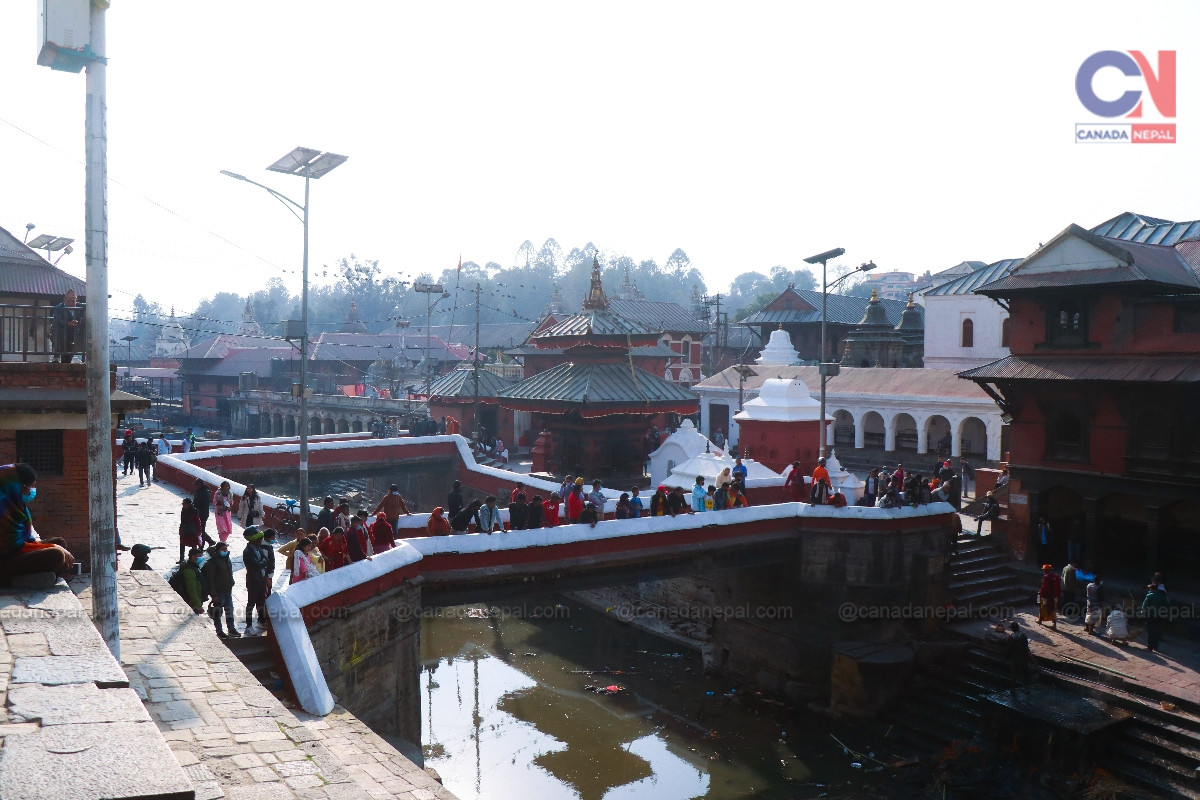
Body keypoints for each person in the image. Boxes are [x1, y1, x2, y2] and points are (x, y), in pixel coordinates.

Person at [0, 463, 73, 586]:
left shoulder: (17, 506)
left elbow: (26, 540)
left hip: (16, 552)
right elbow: (11, 548)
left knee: (60, 542)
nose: (31, 491)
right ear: (15, 487)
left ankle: (45, 575)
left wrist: (53, 545)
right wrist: (52, 547)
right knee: (57, 554)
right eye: (29, 487)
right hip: (4, 562)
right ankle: (18, 581)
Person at [201, 541, 239, 638]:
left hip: (227, 589)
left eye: (226, 549)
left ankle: (231, 628)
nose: (225, 551)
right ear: (217, 550)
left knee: (229, 609)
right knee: (217, 612)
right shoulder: (212, 563)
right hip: (218, 592)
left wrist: (232, 581)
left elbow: (229, 572)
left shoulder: (227, 559)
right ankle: (219, 631)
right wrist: (213, 595)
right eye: (223, 549)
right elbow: (210, 580)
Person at [242, 528, 272, 632]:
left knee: (261, 601)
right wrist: (263, 562)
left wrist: (262, 562)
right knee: (251, 602)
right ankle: (249, 626)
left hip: (261, 579)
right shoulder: (247, 551)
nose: (260, 541)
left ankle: (261, 620)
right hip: (253, 580)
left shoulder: (258, 548)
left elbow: (264, 560)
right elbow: (257, 565)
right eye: (259, 539)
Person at [52, 289, 83, 363]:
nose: (72, 302)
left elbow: (86, 307)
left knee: (68, 357)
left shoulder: (78, 306)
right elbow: (57, 320)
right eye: (69, 300)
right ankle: (56, 356)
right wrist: (68, 323)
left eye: (73, 300)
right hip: (61, 333)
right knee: (62, 347)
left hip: (72, 335)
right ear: (65, 300)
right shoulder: (59, 308)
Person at [176, 548, 206, 615]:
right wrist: (198, 605)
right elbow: (191, 589)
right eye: (199, 556)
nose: (200, 559)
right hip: (192, 603)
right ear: (193, 556)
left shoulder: (194, 567)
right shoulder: (189, 571)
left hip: (195, 601)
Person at [1142, 580, 1169, 653]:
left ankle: (1150, 647)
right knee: (1157, 631)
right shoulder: (1163, 596)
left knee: (1151, 631)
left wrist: (1142, 613)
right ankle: (1156, 647)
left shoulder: (1149, 596)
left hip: (1150, 616)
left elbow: (1144, 606)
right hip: (1160, 616)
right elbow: (1167, 606)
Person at [178, 497, 203, 564]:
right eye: (183, 504)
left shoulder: (194, 511)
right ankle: (181, 558)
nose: (183, 505)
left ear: (189, 504)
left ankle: (194, 558)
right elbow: (182, 520)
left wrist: (199, 531)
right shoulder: (183, 510)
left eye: (185, 504)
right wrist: (180, 529)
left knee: (193, 545)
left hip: (192, 530)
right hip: (184, 529)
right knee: (182, 544)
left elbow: (198, 521)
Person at [192, 479, 216, 548]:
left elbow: (204, 505)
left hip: (202, 514)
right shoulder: (198, 491)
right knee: (200, 530)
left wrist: (197, 511)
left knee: (201, 530)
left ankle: (202, 546)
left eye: (196, 485)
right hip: (197, 514)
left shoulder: (205, 493)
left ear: (200, 485)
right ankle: (210, 542)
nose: (195, 487)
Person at [1037, 563, 1061, 630]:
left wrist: (1040, 593)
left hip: (1046, 596)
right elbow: (1058, 586)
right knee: (1053, 609)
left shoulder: (1045, 577)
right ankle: (1054, 623)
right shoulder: (1056, 577)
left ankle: (1040, 620)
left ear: (1045, 570)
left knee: (1043, 608)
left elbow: (1044, 587)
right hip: (1055, 596)